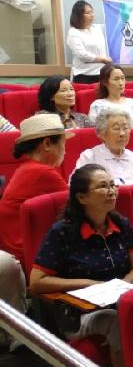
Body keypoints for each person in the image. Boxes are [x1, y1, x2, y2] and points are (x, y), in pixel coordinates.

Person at [30, 164, 133, 367]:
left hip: (120, 300)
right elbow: (37, 282)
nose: (111, 191)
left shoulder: (121, 224)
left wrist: (123, 289)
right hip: (78, 312)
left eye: (113, 185)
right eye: (103, 186)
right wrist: (91, 285)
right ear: (82, 197)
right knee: (113, 320)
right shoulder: (62, 232)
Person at [0, 114, 69, 348]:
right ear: (47, 144)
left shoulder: (29, 169)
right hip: (23, 255)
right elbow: (82, 205)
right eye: (63, 142)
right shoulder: (42, 173)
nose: (66, 149)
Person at [74, 108, 133, 185]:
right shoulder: (89, 157)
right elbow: (77, 186)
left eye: (125, 128)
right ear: (102, 133)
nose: (122, 134)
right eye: (116, 129)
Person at [66, 0, 112, 84]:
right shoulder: (74, 32)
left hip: (102, 74)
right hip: (84, 75)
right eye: (88, 13)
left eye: (92, 12)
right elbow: (81, 54)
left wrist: (108, 5)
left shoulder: (98, 28)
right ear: (79, 15)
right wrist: (102, 59)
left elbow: (113, 25)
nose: (92, 15)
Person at [88, 63, 133, 128]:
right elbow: (94, 130)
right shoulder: (97, 105)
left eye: (122, 78)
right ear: (105, 82)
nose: (121, 83)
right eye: (116, 79)